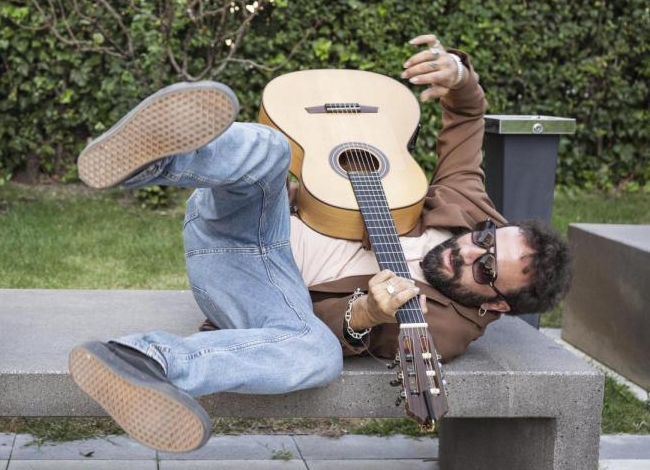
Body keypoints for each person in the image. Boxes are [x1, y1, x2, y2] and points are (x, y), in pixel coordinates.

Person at [68, 35, 571, 453]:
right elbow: (466, 120)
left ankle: (143, 361)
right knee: (270, 147)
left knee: (318, 357)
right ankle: (153, 160)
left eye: (486, 269)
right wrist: (458, 75)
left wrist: (367, 313)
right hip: (245, 214)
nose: (470, 251)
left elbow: (317, 327)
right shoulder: (468, 208)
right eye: (486, 239)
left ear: (497, 304)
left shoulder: (443, 328)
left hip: (257, 283)